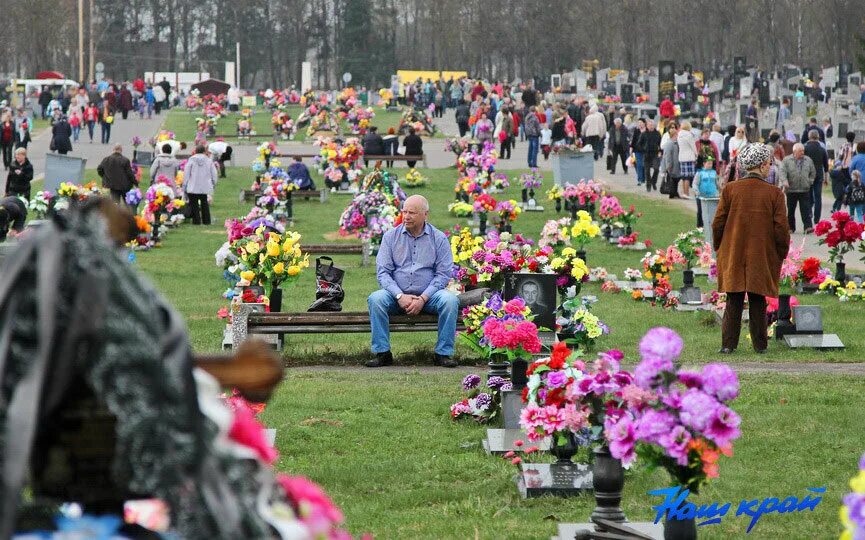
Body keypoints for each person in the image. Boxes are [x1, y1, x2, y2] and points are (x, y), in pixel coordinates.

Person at [712, 143, 790, 354]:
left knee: (734, 298)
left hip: (734, 250)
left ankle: (728, 345)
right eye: (769, 163)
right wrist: (782, 251)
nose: (770, 167)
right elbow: (781, 227)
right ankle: (760, 345)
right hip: (761, 252)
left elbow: (717, 222)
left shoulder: (730, 189)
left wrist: (720, 247)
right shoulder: (774, 194)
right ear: (763, 165)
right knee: (758, 298)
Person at [366, 194, 458, 369]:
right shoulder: (390, 237)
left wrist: (423, 298)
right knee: (376, 299)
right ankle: (382, 353)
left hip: (429, 297)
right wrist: (399, 295)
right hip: (396, 296)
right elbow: (383, 273)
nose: (406, 216)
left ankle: (443, 354)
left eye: (412, 213)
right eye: (404, 211)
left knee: (450, 301)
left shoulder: (438, 238)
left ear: (425, 214)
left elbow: (443, 274)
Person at [777, 143, 816, 233]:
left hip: (804, 189)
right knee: (790, 210)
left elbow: (813, 172)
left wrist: (810, 181)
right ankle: (790, 227)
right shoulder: (786, 160)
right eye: (800, 151)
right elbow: (782, 172)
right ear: (794, 151)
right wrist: (785, 181)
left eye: (803, 150)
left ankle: (808, 227)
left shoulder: (808, 160)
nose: (802, 152)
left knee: (806, 209)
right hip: (791, 189)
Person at [182, 145, 218, 225]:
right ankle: (206, 221)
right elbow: (214, 173)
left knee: (194, 204)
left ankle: (196, 221)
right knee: (204, 203)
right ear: (204, 151)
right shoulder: (208, 161)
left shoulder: (191, 160)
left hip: (193, 185)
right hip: (205, 185)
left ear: (195, 151)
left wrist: (185, 184)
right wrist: (213, 183)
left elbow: (186, 173)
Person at [693, 157, 720, 247]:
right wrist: (696, 191)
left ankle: (712, 225)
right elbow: (695, 183)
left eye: (711, 163)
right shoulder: (700, 173)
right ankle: (700, 226)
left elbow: (717, 183)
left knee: (713, 211)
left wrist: (720, 190)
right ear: (704, 164)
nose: (710, 165)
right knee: (700, 211)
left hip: (713, 195)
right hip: (701, 196)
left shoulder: (714, 173)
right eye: (708, 163)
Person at [803, 129, 829, 223]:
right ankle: (817, 218)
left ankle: (809, 213)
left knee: (808, 195)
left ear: (809, 137)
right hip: (819, 174)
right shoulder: (822, 149)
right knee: (818, 197)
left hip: (807, 174)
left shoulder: (805, 148)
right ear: (818, 137)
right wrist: (826, 179)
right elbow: (826, 166)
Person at [831, 131, 855, 212]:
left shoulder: (844, 145)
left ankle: (838, 206)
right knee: (850, 186)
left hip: (844, 168)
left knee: (842, 187)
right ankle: (849, 202)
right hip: (852, 168)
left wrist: (836, 165)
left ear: (846, 137)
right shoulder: (855, 146)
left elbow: (840, 157)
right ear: (853, 138)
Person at [676, 121, 697, 198]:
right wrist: (696, 154)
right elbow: (693, 146)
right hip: (689, 156)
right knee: (688, 176)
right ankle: (686, 193)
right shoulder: (689, 135)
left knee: (684, 176)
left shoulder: (679, 135)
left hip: (681, 156)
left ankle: (684, 192)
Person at [661, 125, 680, 198]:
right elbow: (667, 156)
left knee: (676, 179)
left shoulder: (675, 143)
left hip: (675, 164)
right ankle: (672, 192)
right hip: (671, 165)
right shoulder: (669, 143)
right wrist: (668, 165)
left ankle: (674, 192)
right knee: (672, 179)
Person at [630, 118, 646, 186]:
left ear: (644, 123)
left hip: (645, 151)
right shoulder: (636, 131)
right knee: (639, 165)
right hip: (637, 151)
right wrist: (631, 148)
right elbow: (633, 140)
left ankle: (644, 179)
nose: (639, 124)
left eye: (641, 122)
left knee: (644, 165)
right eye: (638, 122)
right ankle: (640, 180)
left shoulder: (647, 131)